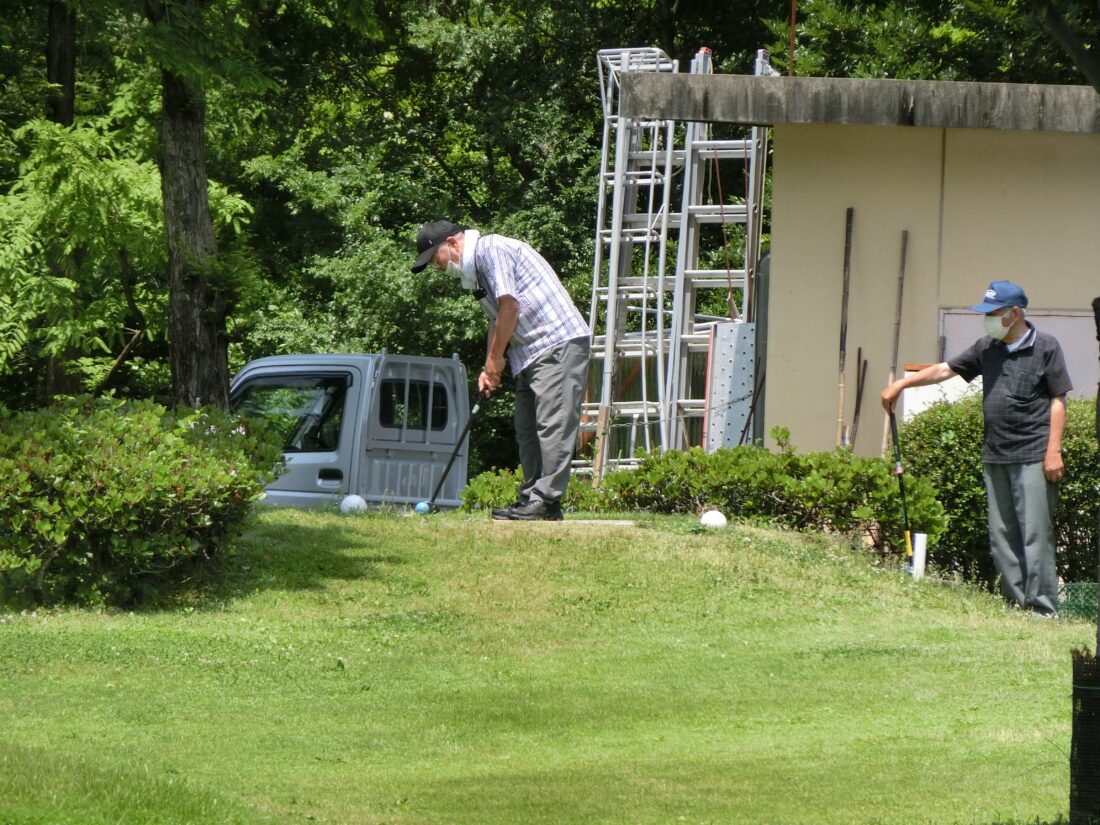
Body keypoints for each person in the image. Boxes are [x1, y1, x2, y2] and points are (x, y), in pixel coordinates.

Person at [881, 280, 1072, 617]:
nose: (988, 319)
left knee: (1034, 535)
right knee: (1002, 535)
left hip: (1033, 455)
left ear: (1014, 313)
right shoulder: (987, 348)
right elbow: (944, 369)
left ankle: (1043, 610)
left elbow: (1058, 400)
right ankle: (1015, 606)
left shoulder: (1046, 346)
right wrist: (902, 384)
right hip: (995, 454)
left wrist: (1052, 452)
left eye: (994, 313)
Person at [411, 220, 591, 521]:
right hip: (529, 353)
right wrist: (489, 366)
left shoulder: (491, 250)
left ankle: (547, 500)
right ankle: (532, 498)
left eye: (435, 259)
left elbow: (510, 307)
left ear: (452, 244)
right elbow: (496, 321)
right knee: (527, 428)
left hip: (557, 342)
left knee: (552, 425)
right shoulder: (476, 274)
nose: (437, 268)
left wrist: (497, 359)